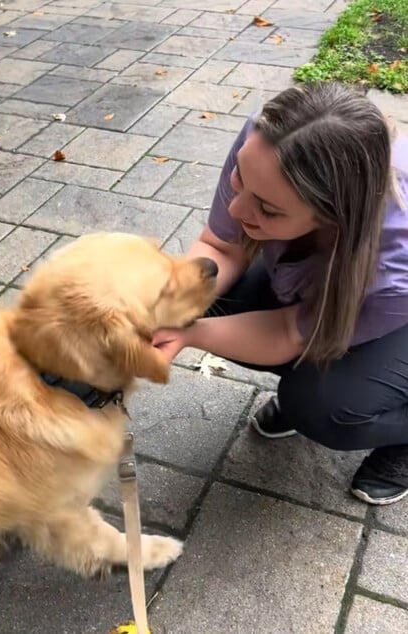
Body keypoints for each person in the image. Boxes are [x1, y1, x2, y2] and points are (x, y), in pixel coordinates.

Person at [152, 82, 408, 506]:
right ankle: (321, 374)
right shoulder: (268, 141)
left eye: (268, 209)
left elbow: (290, 332)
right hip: (346, 291)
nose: (236, 210)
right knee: (198, 296)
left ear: (333, 216)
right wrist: (162, 311)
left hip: (399, 313)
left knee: (324, 407)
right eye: (240, 179)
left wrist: (190, 334)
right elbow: (221, 247)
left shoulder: (394, 268)